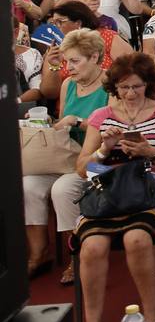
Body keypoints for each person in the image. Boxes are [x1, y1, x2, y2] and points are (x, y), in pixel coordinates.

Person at [71, 53, 155, 322]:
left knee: (137, 239)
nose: (131, 94)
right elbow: (83, 168)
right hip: (106, 195)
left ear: (148, 84)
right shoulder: (101, 115)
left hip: (148, 193)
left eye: (136, 86)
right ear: (115, 88)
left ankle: (152, 316)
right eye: (123, 88)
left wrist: (149, 151)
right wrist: (104, 149)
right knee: (91, 247)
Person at [23, 30, 107, 284]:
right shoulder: (68, 84)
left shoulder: (111, 85)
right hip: (63, 156)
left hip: (94, 160)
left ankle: (77, 256)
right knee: (27, 186)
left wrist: (79, 122)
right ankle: (39, 253)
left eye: (75, 61)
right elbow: (63, 123)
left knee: (62, 189)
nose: (68, 67)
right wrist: (49, 122)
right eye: (66, 61)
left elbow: (113, 129)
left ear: (94, 58)